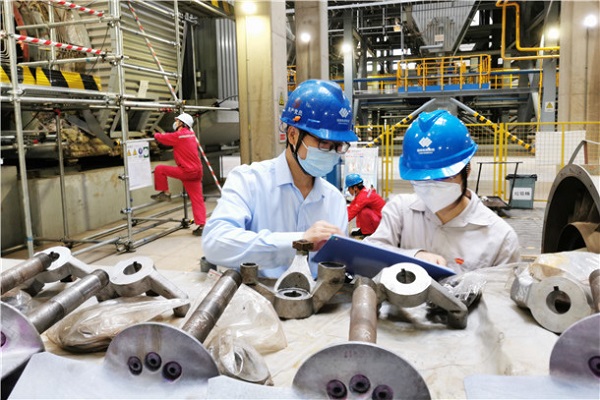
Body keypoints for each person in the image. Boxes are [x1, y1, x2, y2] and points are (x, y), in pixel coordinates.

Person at [202, 79, 358, 278]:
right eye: (324, 143)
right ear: (293, 135)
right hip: (255, 295)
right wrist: (299, 242)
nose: (333, 153)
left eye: (339, 146)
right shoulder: (249, 181)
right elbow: (215, 244)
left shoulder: (334, 200)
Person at [364, 109, 520, 272]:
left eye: (441, 177)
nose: (430, 185)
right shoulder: (400, 211)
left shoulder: (501, 238)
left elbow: (504, 287)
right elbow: (369, 252)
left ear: (466, 170)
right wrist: (414, 256)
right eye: (420, 178)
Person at [151, 112, 206, 236]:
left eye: (177, 120)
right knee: (197, 199)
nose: (175, 122)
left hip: (186, 171)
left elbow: (165, 138)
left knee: (160, 169)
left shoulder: (179, 136)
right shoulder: (191, 134)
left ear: (182, 123)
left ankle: (165, 193)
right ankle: (202, 226)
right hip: (197, 171)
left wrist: (155, 135)